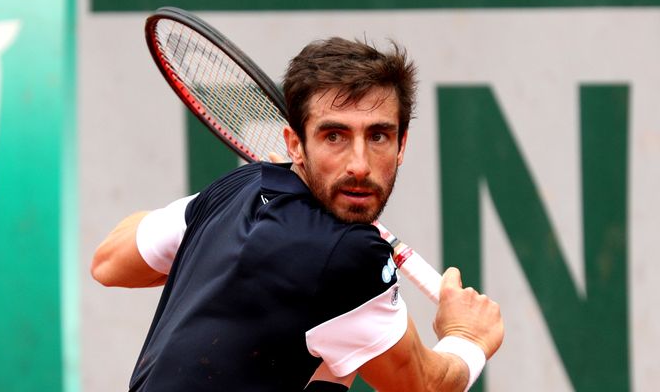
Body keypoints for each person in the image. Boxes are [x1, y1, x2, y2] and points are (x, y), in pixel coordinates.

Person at [91, 37, 503, 391]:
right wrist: (467, 337)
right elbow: (426, 384)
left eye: (377, 135)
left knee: (332, 360)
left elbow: (111, 261)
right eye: (333, 136)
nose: (359, 164)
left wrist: (219, 239)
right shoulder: (349, 256)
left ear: (401, 144)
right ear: (295, 144)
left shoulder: (242, 188)